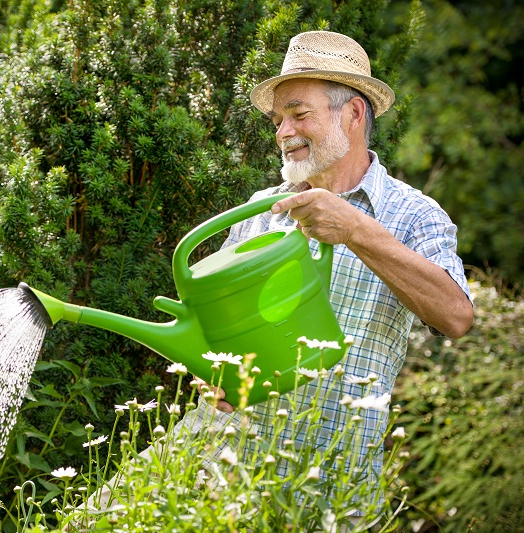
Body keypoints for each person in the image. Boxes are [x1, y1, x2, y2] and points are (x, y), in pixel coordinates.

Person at [83, 30, 474, 526]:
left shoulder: (414, 215)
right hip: (221, 462)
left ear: (353, 115)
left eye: (298, 113)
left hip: (332, 479)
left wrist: (356, 229)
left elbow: (457, 315)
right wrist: (209, 374)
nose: (283, 130)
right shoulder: (260, 212)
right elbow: (214, 337)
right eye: (277, 119)